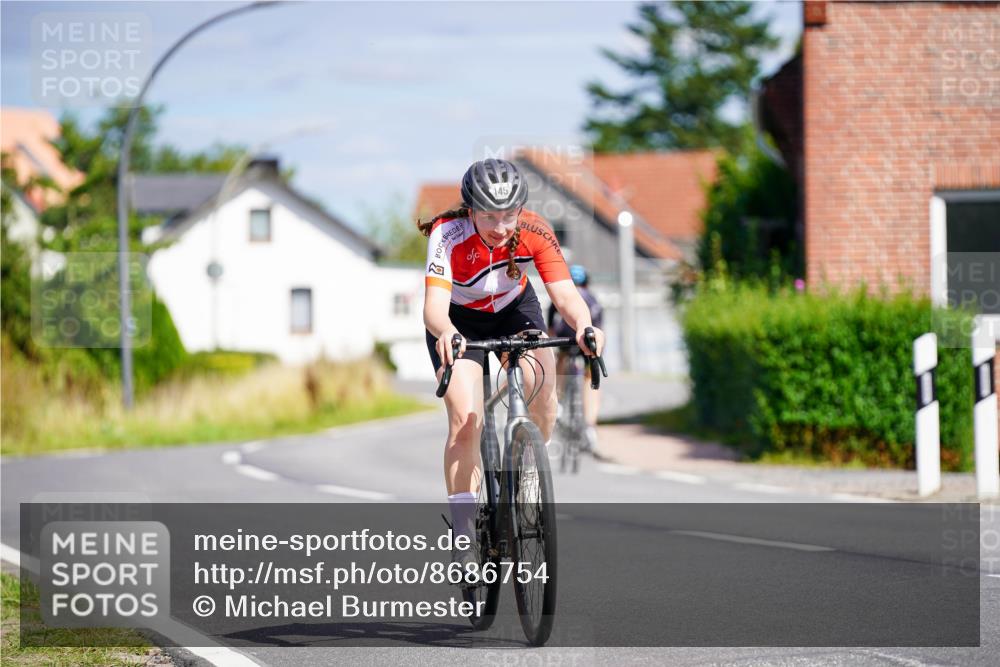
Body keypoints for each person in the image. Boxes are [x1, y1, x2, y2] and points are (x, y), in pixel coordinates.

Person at [417, 158, 606, 568]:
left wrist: (586, 326)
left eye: (508, 215)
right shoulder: (447, 234)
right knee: (466, 421)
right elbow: (434, 308)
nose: (501, 226)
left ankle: (530, 476)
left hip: (513, 309)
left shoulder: (535, 229)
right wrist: (447, 333)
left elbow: (566, 296)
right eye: (489, 216)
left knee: (545, 387)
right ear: (471, 210)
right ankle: (465, 531)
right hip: (457, 319)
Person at [547, 264, 603, 452]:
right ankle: (590, 424)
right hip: (586, 339)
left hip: (566, 337)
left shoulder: (562, 297)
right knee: (590, 377)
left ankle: (559, 400)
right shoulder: (593, 299)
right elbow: (600, 327)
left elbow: (551, 327)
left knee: (560, 358)